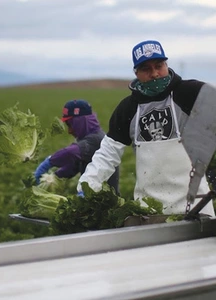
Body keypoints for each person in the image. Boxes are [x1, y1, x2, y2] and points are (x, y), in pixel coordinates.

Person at [77, 40, 215, 216]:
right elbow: (107, 153)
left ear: (166, 64)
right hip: (149, 213)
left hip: (197, 208)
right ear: (136, 73)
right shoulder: (128, 108)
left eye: (159, 66)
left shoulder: (190, 93)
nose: (155, 74)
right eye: (146, 69)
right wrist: (87, 185)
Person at [34, 99, 119, 194]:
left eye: (70, 125)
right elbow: (74, 166)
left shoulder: (96, 139)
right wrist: (55, 176)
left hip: (104, 201)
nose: (69, 131)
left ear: (81, 122)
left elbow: (70, 152)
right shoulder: (89, 139)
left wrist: (48, 162)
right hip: (95, 199)